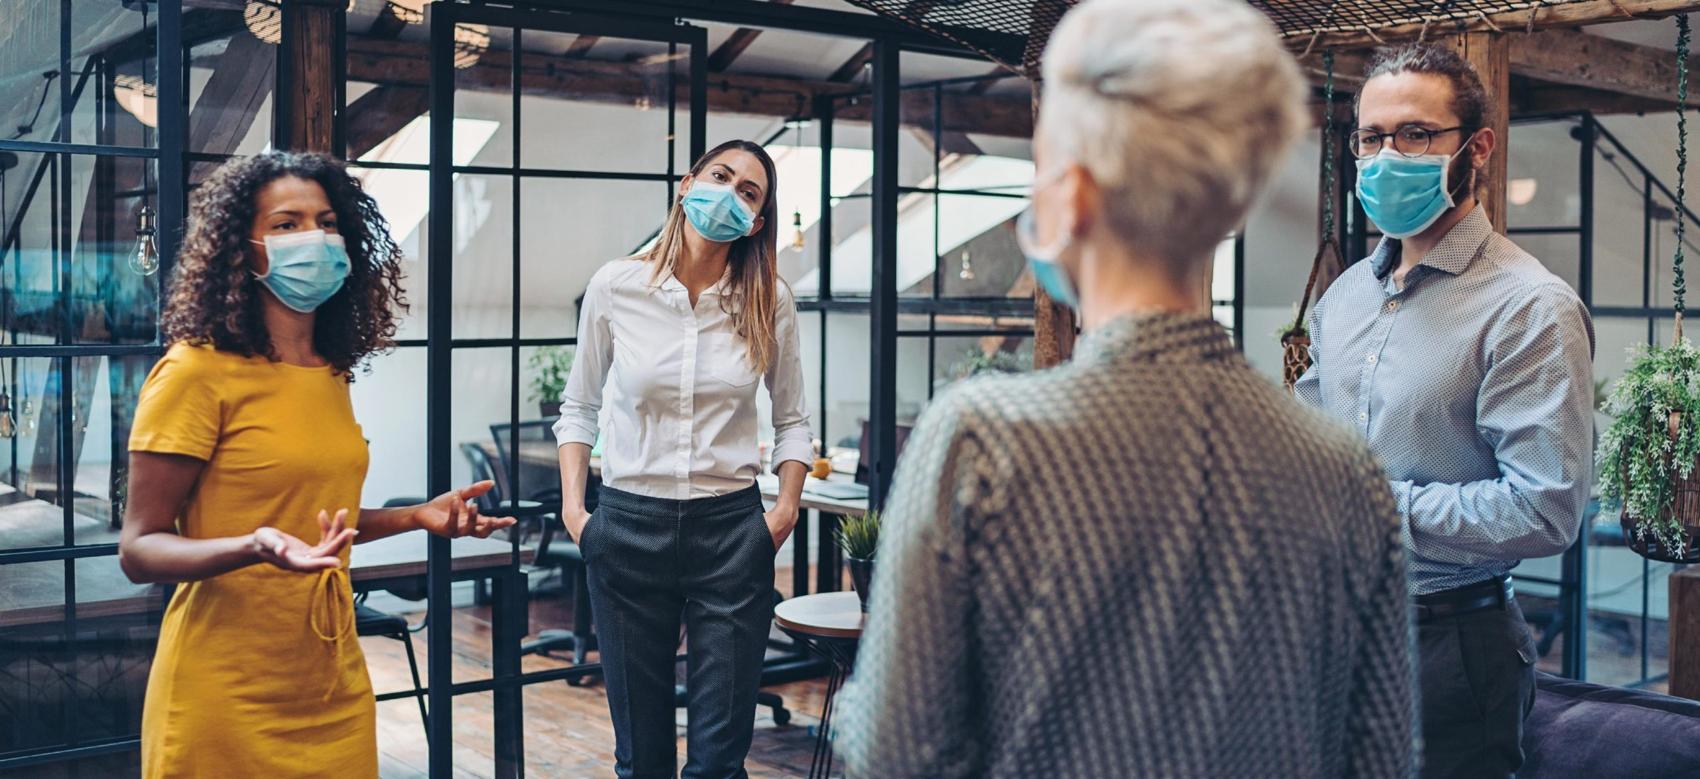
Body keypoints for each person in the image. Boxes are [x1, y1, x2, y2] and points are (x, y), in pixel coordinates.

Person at [833, 1, 1416, 777]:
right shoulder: (1346, 470)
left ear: (1072, 195)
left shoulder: (981, 441)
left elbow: (895, 751)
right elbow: (1379, 760)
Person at [119, 151, 514, 779]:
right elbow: (140, 549)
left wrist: (416, 516)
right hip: (223, 689)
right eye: (287, 223)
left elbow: (315, 520)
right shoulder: (194, 371)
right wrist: (253, 545)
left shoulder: (329, 372)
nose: (316, 238)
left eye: (327, 222)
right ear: (242, 249)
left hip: (331, 677)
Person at [1296, 43, 1595, 778]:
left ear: (1477, 148)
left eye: (1415, 135)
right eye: (1371, 138)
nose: (1385, 157)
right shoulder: (1346, 297)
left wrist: (1376, 503)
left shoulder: (1528, 307)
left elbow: (1546, 510)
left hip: (1450, 646)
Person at [554, 139, 812, 779]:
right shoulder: (616, 286)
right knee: (641, 760)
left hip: (730, 534)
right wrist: (577, 514)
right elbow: (579, 406)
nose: (729, 194)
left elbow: (793, 419)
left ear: (756, 221)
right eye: (720, 176)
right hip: (626, 530)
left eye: (748, 192)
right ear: (687, 183)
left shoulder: (769, 300)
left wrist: (781, 513)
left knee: (719, 763)